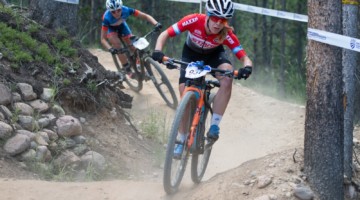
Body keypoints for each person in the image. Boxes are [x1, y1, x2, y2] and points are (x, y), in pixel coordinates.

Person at [152, 0, 253, 157]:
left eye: (224, 20)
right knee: (184, 96)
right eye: (215, 17)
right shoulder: (194, 20)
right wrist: (158, 51)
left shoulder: (226, 33)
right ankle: (181, 138)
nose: (219, 23)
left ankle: (214, 126)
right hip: (191, 54)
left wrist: (247, 67)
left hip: (214, 56)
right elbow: (165, 34)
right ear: (208, 14)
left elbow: (244, 57)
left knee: (227, 78)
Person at [101, 0, 162, 77]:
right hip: (111, 29)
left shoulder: (126, 10)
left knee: (133, 46)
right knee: (117, 45)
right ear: (109, 11)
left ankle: (138, 63)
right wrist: (110, 49)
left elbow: (145, 16)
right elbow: (103, 39)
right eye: (113, 12)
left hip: (122, 26)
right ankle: (126, 68)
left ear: (121, 8)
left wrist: (156, 23)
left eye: (119, 10)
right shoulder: (106, 18)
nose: (117, 13)